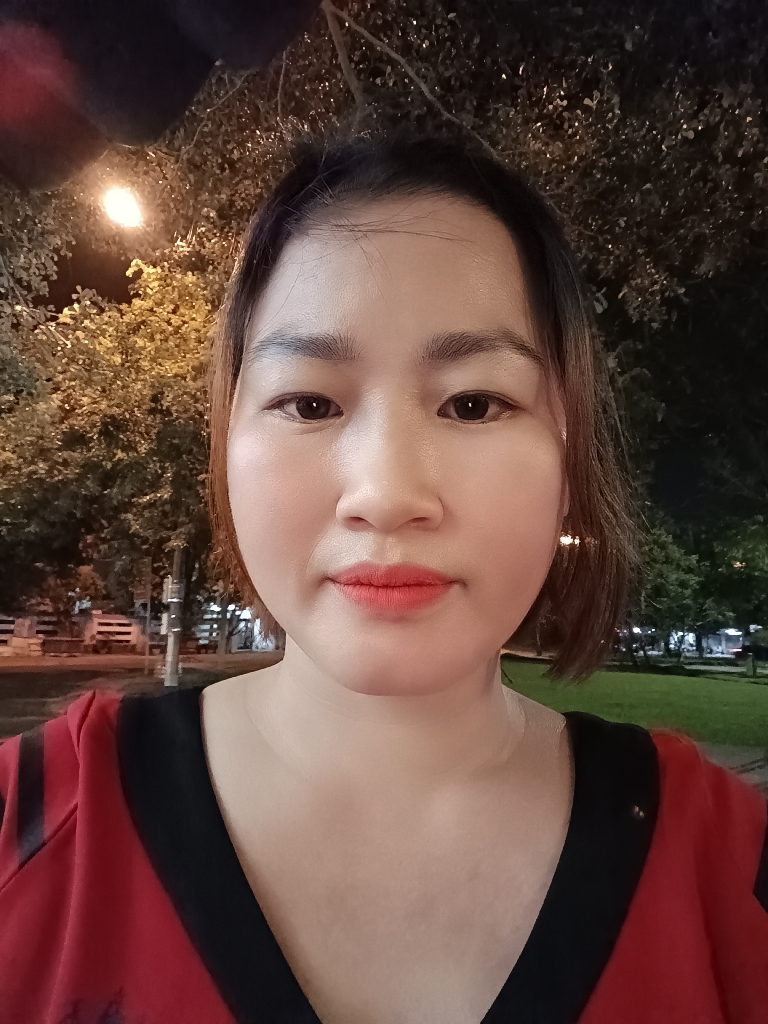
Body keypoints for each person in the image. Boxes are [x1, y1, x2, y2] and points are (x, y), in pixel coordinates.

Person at [0, 133, 766, 1024]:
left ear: (568, 457)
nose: (388, 495)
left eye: (473, 403)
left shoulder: (726, 864)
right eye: (310, 402)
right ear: (228, 441)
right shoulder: (33, 825)